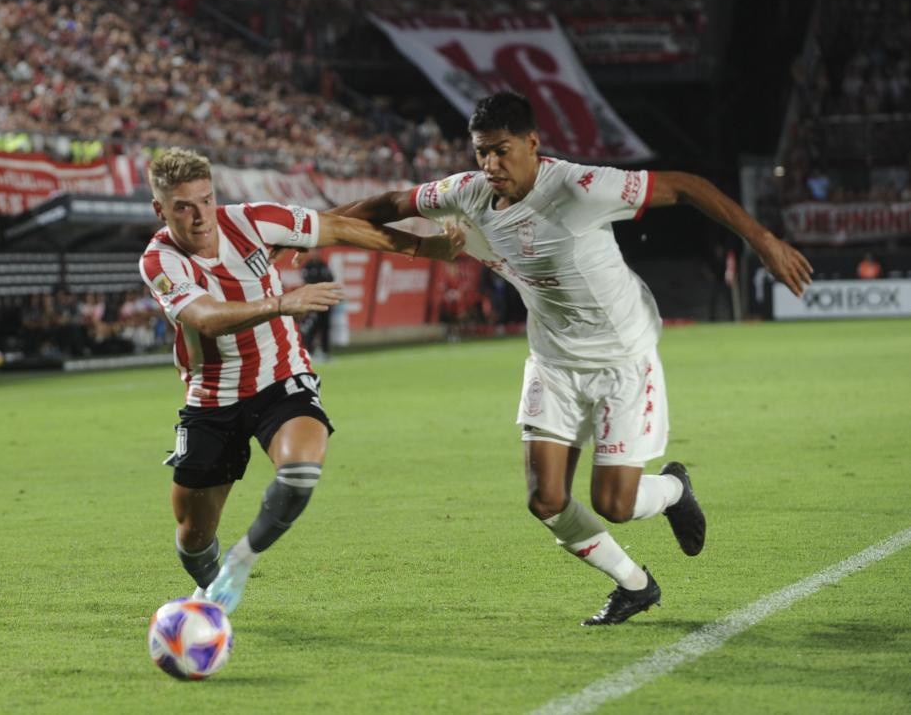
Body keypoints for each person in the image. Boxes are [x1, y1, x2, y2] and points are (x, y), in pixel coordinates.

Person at [332, 91, 813, 625]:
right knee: (545, 499)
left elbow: (686, 186)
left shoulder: (580, 187)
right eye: (481, 153)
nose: (490, 165)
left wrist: (764, 242)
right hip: (553, 362)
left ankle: (675, 489)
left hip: (621, 359)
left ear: (533, 144)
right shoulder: (467, 192)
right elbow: (390, 203)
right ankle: (634, 584)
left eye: (501, 151)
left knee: (615, 504)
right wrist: (309, 231)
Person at [138, 147, 462, 615]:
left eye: (205, 200)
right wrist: (281, 303)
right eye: (183, 207)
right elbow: (206, 318)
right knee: (192, 538)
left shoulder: (253, 220)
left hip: (281, 377)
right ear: (160, 210)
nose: (199, 216)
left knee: (301, 471)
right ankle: (210, 595)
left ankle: (239, 565)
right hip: (211, 395)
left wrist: (421, 247)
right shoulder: (159, 260)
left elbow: (341, 226)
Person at [297, 249, 334, 361]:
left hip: (325, 301)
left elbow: (331, 279)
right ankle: (309, 352)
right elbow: (309, 282)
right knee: (311, 327)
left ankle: (325, 352)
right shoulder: (307, 267)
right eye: (313, 251)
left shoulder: (324, 265)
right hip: (313, 302)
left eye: (317, 251)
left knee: (325, 327)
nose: (315, 253)